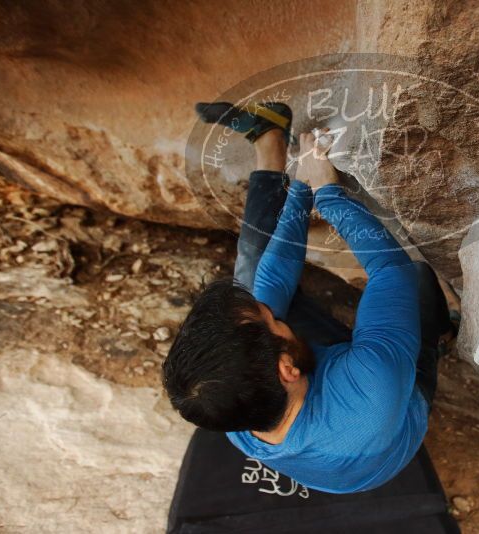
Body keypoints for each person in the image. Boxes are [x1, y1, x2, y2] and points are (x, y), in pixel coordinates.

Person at [163, 102, 456, 494]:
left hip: (317, 389)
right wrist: (329, 193)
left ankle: (269, 139)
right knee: (420, 282)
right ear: (287, 367)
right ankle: (442, 333)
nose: (269, 311)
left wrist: (301, 189)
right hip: (392, 408)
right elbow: (390, 271)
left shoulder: (229, 407)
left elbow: (270, 283)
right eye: (270, 321)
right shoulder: (372, 388)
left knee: (251, 280)